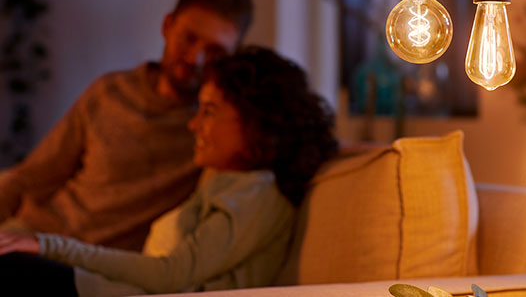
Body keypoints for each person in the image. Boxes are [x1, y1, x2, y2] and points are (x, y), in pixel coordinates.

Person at [0, 47, 339, 296]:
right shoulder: (227, 182)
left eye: (208, 111)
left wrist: (48, 245)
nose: (194, 125)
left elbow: (170, 275)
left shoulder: (260, 193)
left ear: (258, 122)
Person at [0, 0, 254, 251]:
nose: (196, 58)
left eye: (215, 51)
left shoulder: (217, 129)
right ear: (167, 26)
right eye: (188, 38)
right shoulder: (109, 92)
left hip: (87, 263)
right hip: (31, 233)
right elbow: (35, 175)